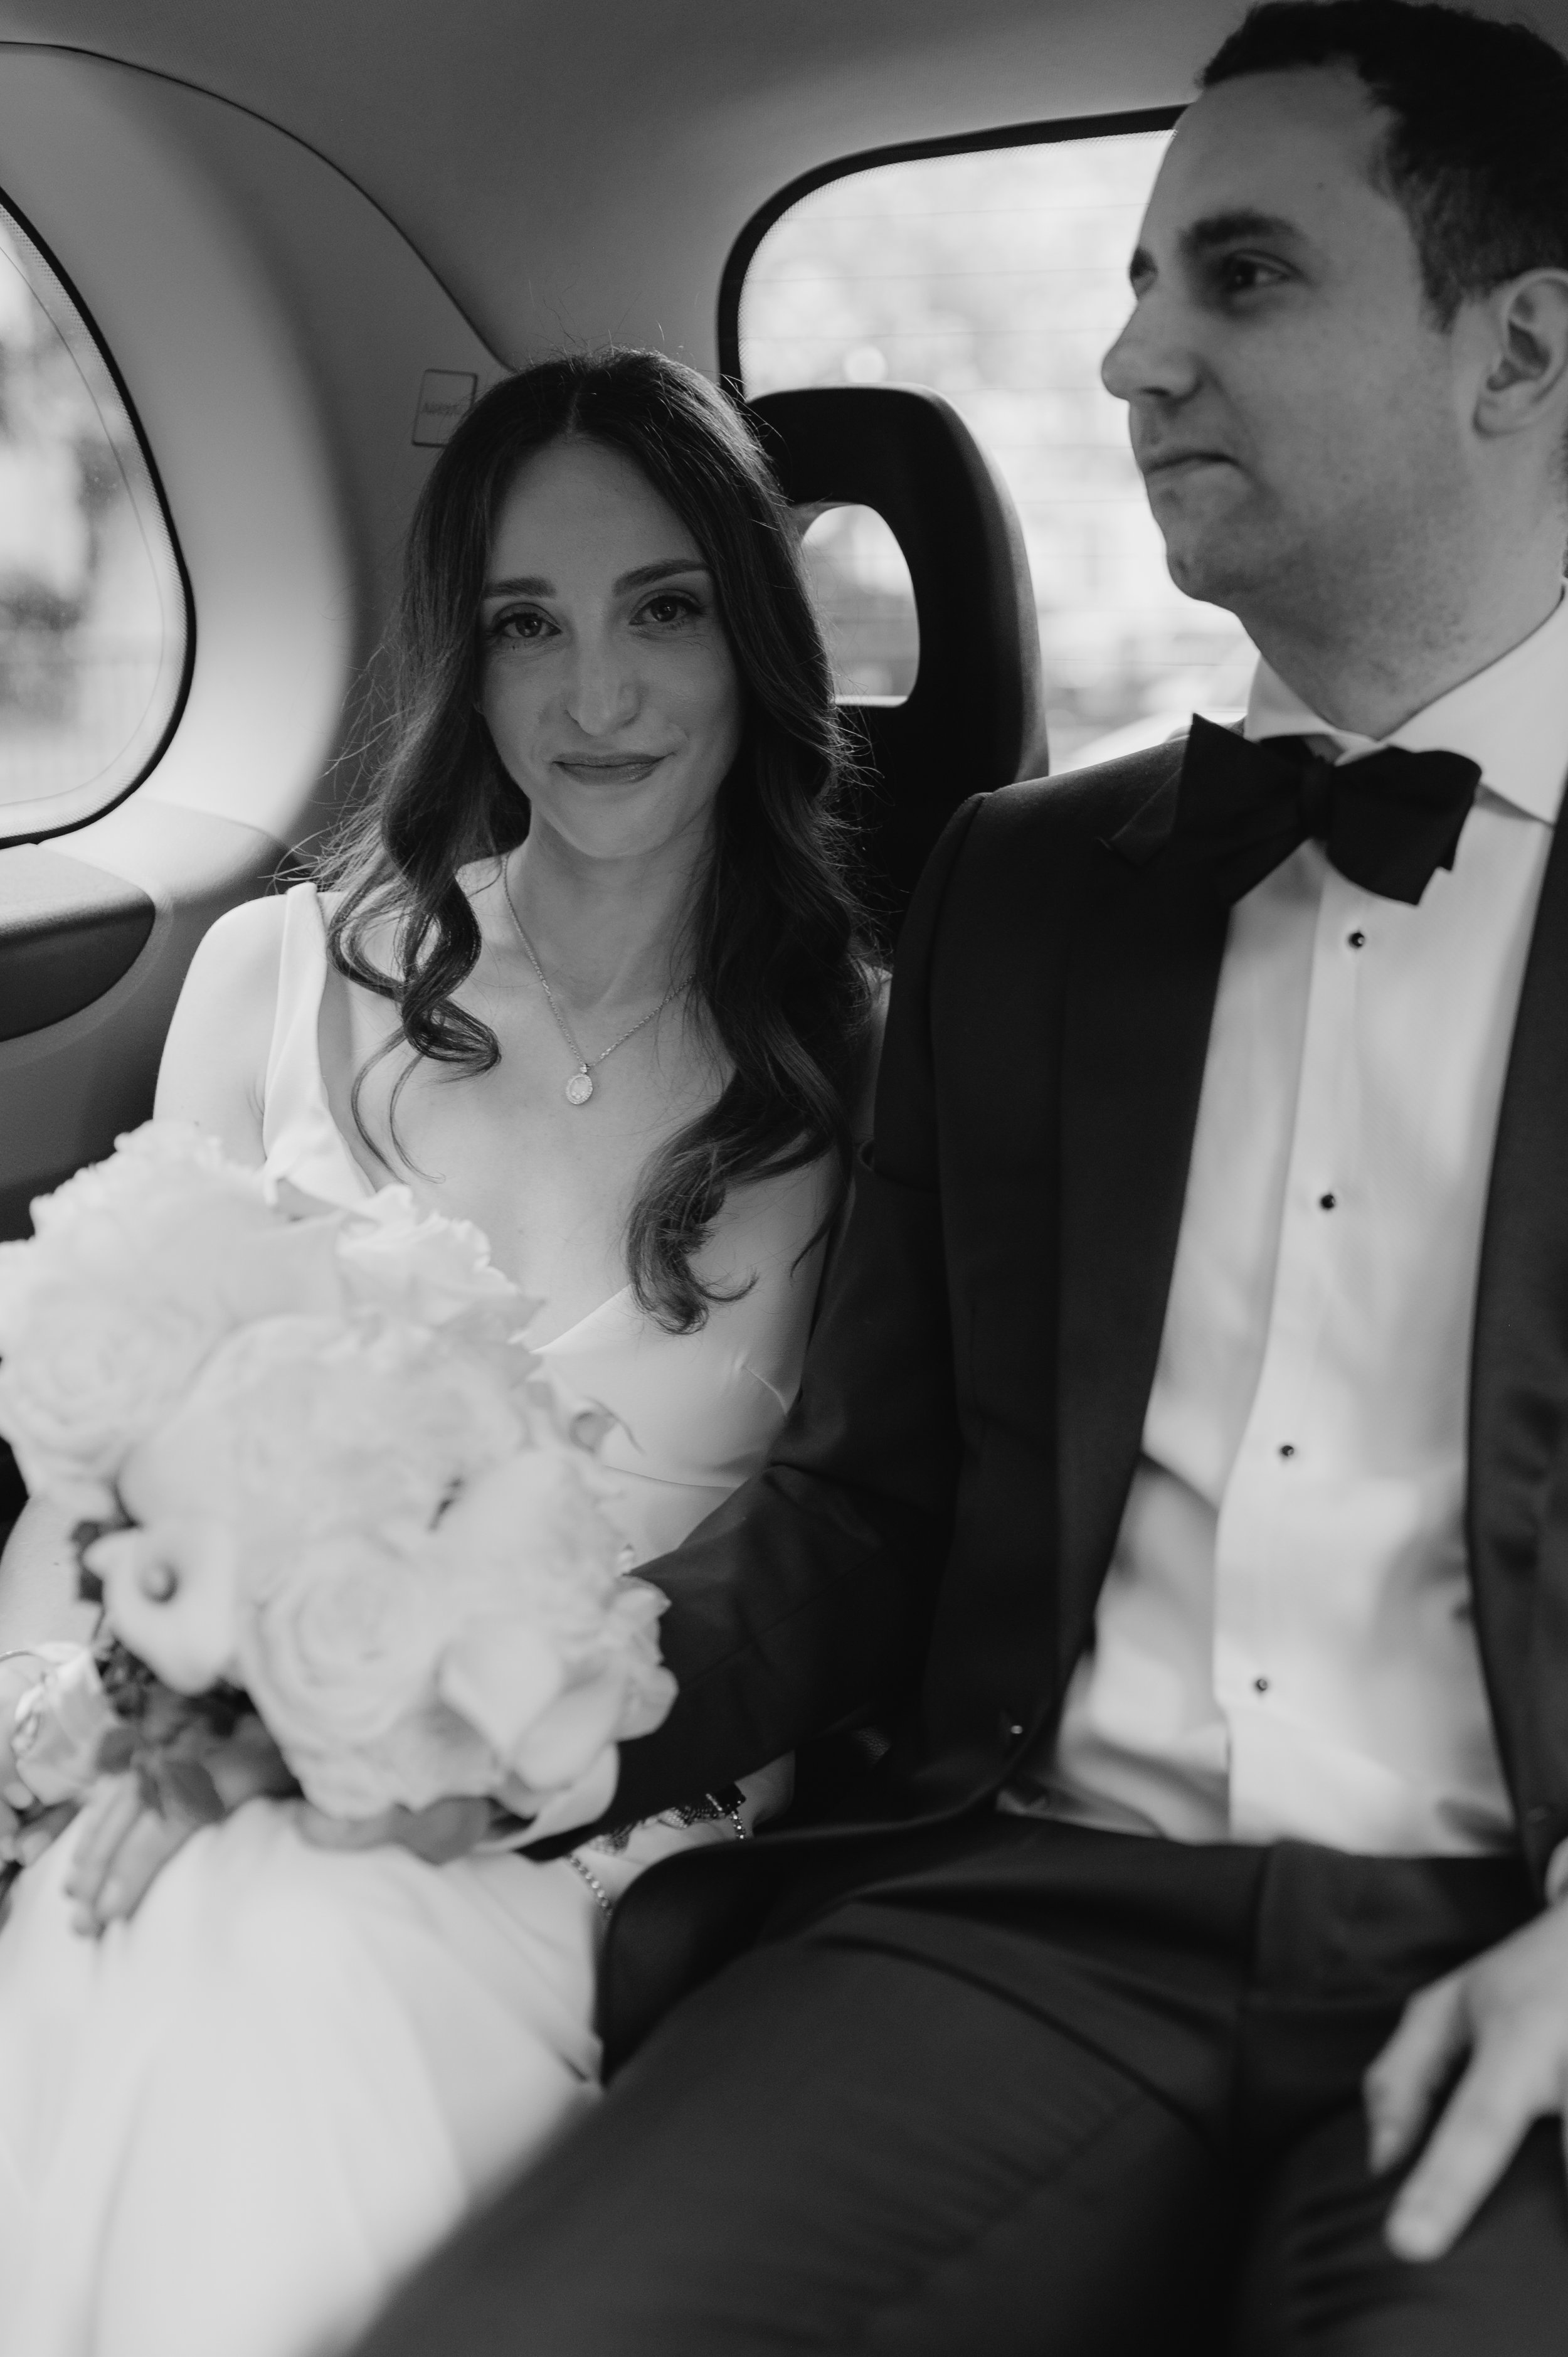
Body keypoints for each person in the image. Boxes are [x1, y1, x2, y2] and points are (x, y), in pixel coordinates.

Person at [346, 8, 1568, 2353]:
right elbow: (860, 1515)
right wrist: (466, 1722)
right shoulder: (1027, 890)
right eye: (1132, 285)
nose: (1131, 356)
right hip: (1030, 1909)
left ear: (1517, 348)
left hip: (1507, 1943)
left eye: (1242, 278)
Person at [0, 348, 879, 2357]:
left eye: (662, 611)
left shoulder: (873, 1069)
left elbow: (863, 1553)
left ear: (750, 637)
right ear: (464, 669)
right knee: (180, 1897)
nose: (596, 698)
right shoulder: (283, 977)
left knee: (280, 1935)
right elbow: (96, 1473)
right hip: (216, 1765)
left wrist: (446, 1764)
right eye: (523, 628)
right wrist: (75, 1718)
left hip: (608, 1805)